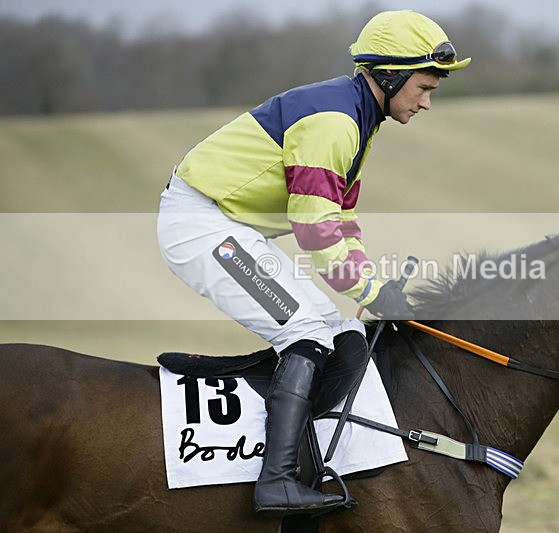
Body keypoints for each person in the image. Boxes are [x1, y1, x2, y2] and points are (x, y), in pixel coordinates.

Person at [156, 10, 470, 517]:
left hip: (227, 224)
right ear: (388, 76)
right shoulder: (334, 123)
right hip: (201, 224)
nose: (427, 102)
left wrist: (372, 286)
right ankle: (275, 481)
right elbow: (315, 232)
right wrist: (371, 293)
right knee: (304, 330)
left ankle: (306, 459)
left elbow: (341, 220)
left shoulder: (358, 119)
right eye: (422, 87)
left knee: (336, 329)